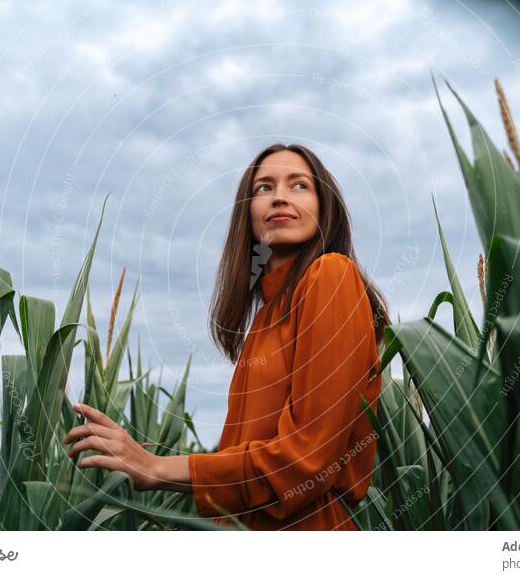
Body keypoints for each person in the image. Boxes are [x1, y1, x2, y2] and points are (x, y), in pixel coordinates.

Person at [64, 143, 390, 530]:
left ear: (325, 209)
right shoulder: (264, 321)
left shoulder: (330, 276)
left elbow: (308, 459)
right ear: (247, 214)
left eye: (299, 185)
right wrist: (143, 453)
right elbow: (247, 460)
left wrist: (156, 467)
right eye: (264, 188)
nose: (280, 196)